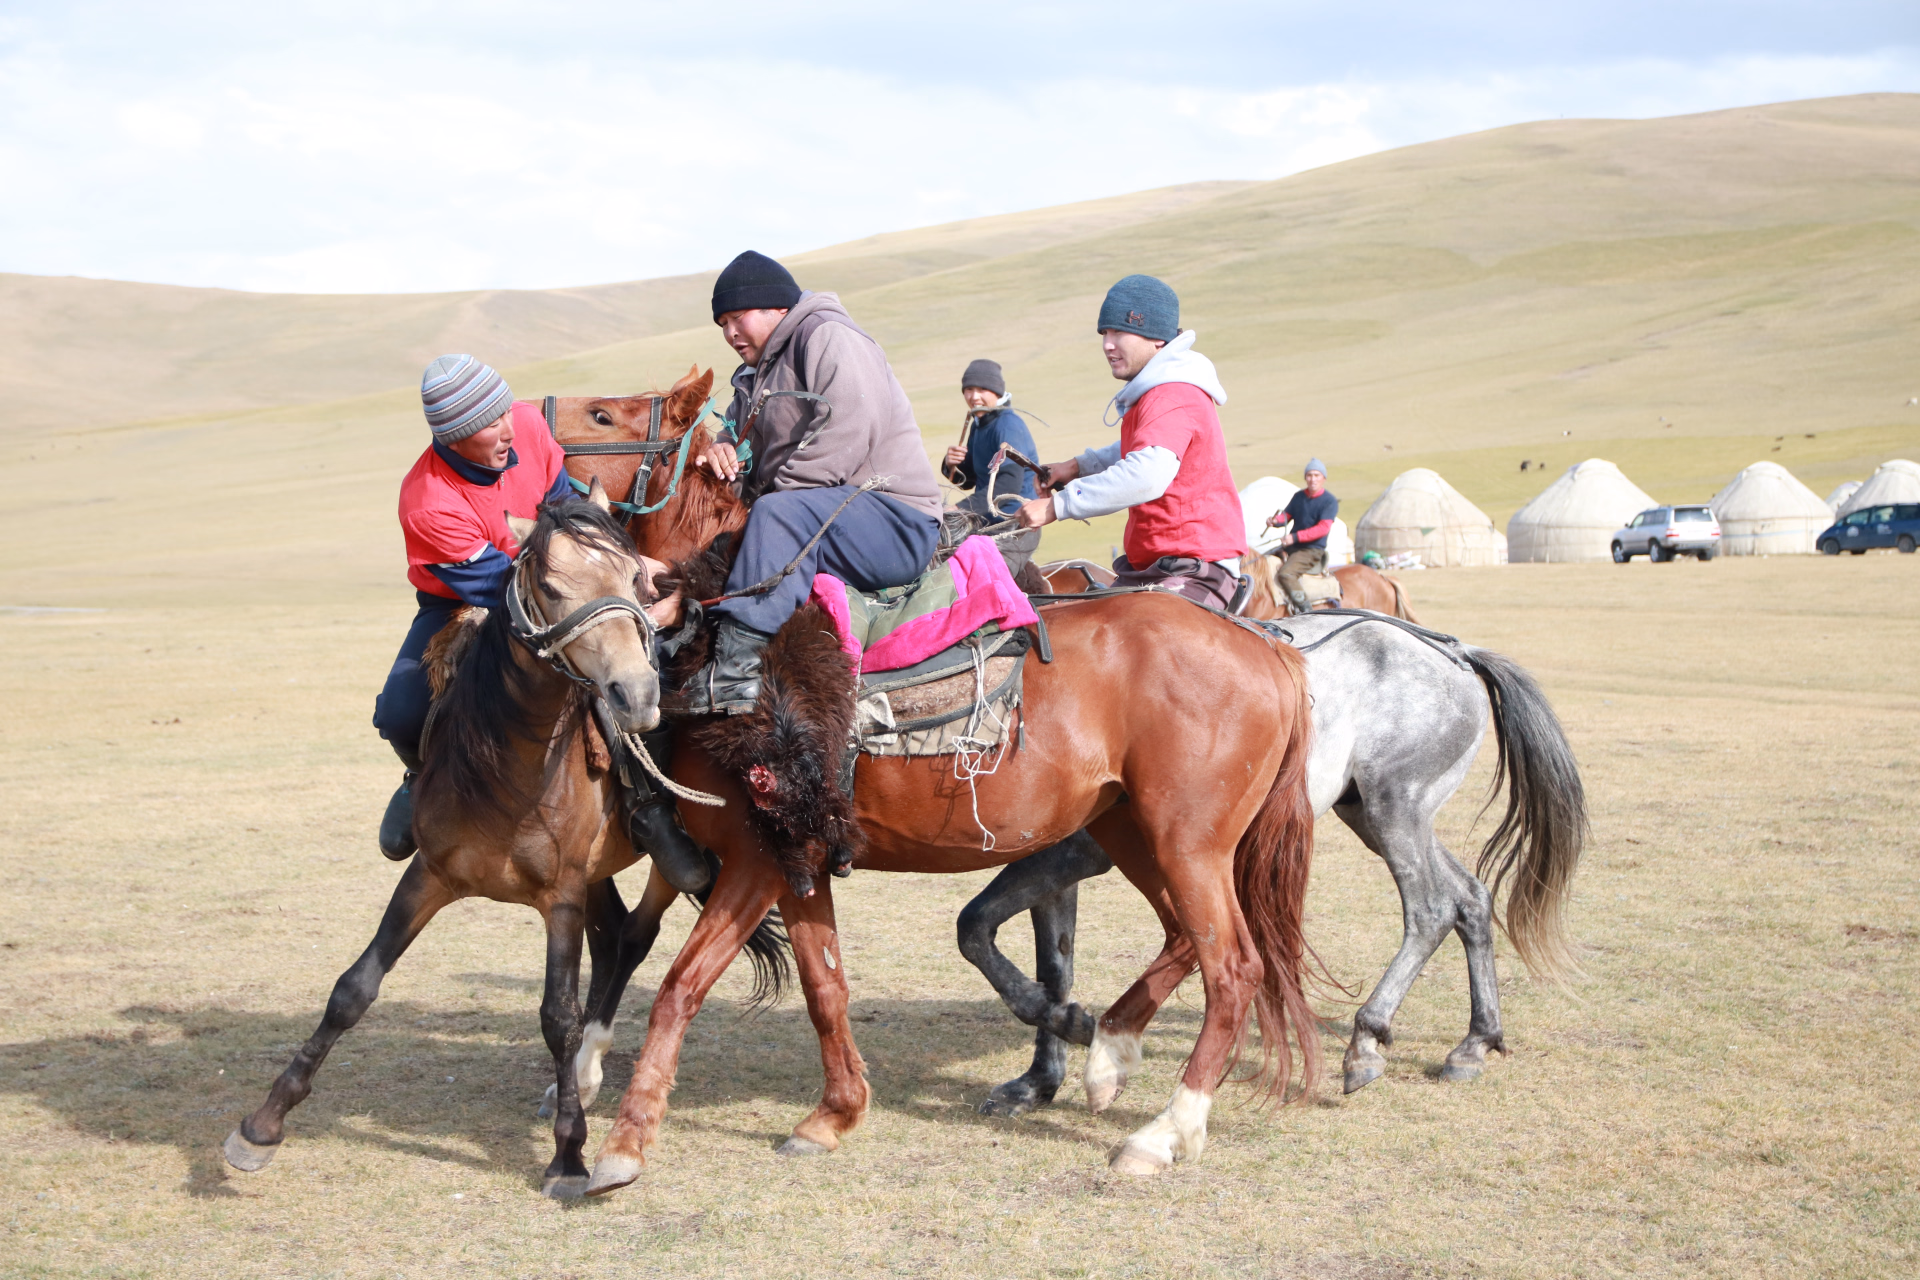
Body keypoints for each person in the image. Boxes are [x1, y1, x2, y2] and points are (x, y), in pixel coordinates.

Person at [374, 355, 709, 893]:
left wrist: (616, 566)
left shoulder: (526, 424)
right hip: (471, 594)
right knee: (400, 710)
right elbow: (498, 585)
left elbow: (566, 505)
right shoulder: (427, 501)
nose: (509, 428)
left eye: (505, 411)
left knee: (634, 673)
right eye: (489, 425)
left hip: (568, 576)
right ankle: (420, 777)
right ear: (455, 438)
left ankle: (650, 810)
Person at [692, 250, 944, 713]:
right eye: (722, 323)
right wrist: (723, 446)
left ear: (776, 307)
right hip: (826, 515)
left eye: (737, 317)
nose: (729, 333)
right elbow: (738, 430)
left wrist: (767, 505)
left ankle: (735, 671)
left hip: (895, 518)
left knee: (772, 513)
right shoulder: (754, 372)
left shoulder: (828, 336)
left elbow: (847, 432)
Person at [1014, 274, 1247, 608]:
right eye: (1104, 333)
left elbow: (1145, 475)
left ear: (1156, 337)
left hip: (1196, 566)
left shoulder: (1173, 394)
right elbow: (1136, 450)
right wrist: (1076, 467)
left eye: (1119, 332)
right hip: (1155, 566)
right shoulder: (1156, 391)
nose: (1108, 344)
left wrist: (1057, 506)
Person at [942, 358, 1041, 572]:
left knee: (982, 578)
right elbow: (969, 480)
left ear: (996, 392)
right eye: (968, 389)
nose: (974, 397)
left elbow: (1007, 485)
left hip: (1015, 524)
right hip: (989, 523)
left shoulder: (1007, 425)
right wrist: (950, 465)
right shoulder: (980, 424)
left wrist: (959, 509)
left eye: (982, 389)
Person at [1267, 459, 1338, 615]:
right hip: (1292, 547)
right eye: (1309, 475)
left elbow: (1322, 529)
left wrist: (1295, 537)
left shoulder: (1329, 501)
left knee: (1286, 573)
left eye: (1316, 475)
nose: (1313, 479)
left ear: (1323, 478)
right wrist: (1275, 521)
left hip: (1312, 550)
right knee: (1263, 564)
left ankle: (1305, 610)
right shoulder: (1299, 497)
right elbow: (1287, 515)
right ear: (1305, 477)